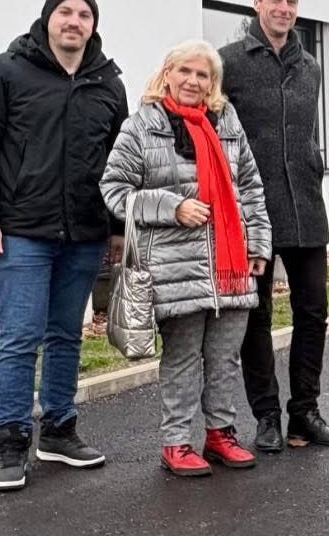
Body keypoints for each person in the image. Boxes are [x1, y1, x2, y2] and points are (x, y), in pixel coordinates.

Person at [0, 0, 129, 492]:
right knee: (18, 338)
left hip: (84, 233)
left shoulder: (108, 85)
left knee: (65, 336)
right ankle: (10, 444)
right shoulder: (7, 71)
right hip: (20, 232)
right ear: (48, 18)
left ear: (93, 25)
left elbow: (120, 163)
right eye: (65, 12)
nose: (74, 21)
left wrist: (117, 229)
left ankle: (58, 430)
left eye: (84, 14)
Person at [101, 40, 273, 477]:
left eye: (203, 75)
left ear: (212, 82)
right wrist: (172, 206)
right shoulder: (142, 125)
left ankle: (220, 434)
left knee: (224, 358)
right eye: (186, 72)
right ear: (167, 74)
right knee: (180, 358)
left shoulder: (227, 121)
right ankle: (176, 442)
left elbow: (250, 186)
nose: (194, 81)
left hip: (230, 265)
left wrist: (258, 245)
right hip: (175, 267)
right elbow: (115, 191)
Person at [221, 0, 329, 451]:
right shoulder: (228, 62)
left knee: (313, 312)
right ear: (257, 4)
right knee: (256, 315)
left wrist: (314, 163)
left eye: (291, 1)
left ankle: (304, 413)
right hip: (252, 209)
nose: (284, 7)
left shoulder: (310, 65)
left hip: (306, 208)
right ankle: (267, 417)